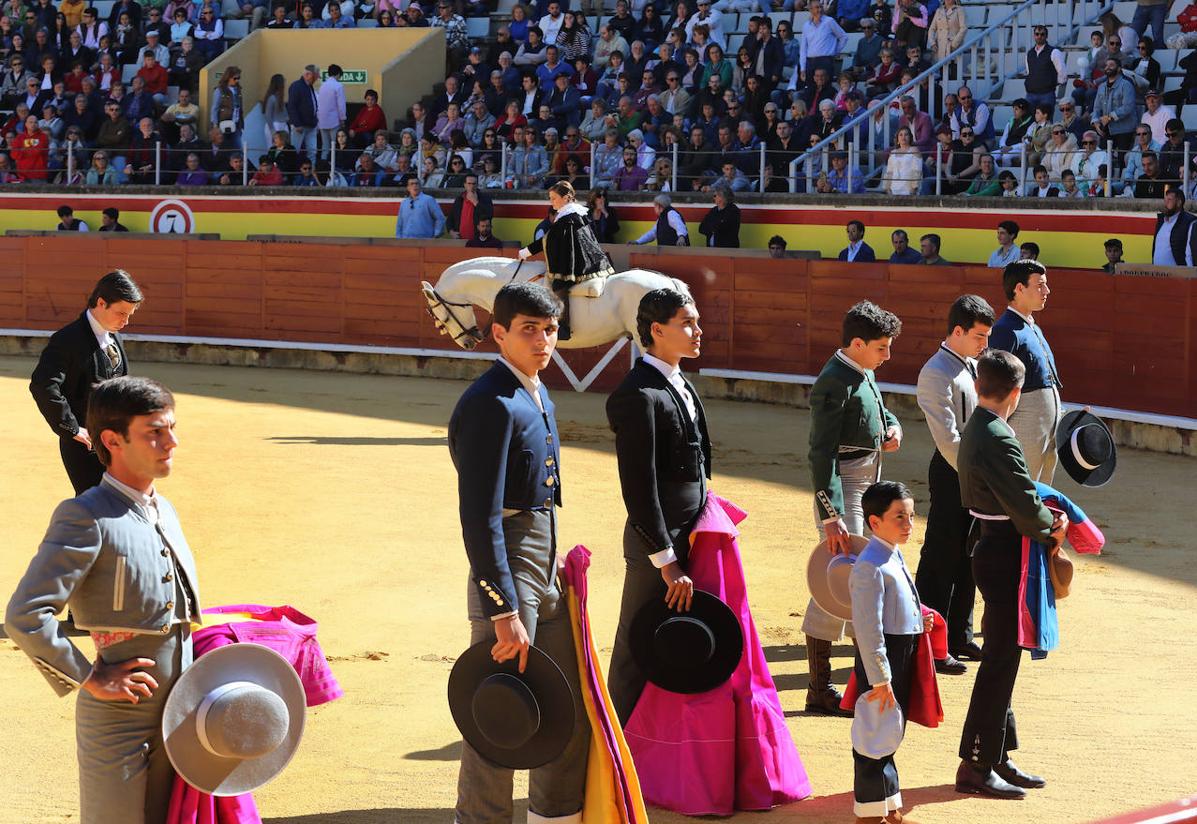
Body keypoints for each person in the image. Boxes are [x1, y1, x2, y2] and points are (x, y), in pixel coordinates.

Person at [5, 375, 201, 824]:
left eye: (170, 427)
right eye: (154, 431)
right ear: (112, 440)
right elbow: (25, 615)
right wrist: (90, 677)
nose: (171, 442)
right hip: (120, 723)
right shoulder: (85, 515)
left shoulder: (163, 509)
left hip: (180, 714)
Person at [447, 282, 590, 824]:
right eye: (529, 330)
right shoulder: (489, 402)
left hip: (539, 550)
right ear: (499, 333)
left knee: (560, 700)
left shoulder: (533, 391)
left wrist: (551, 551)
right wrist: (500, 606)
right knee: (501, 703)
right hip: (507, 561)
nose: (543, 340)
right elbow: (479, 516)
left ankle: (554, 815)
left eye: (550, 329)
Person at [954, 349, 1065, 800]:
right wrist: (1052, 527)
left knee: (1006, 652)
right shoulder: (998, 434)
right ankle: (976, 764)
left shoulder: (978, 427)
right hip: (1006, 552)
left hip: (990, 544)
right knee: (1001, 656)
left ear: (979, 385)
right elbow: (1023, 502)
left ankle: (997, 753)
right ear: (1017, 393)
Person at [605, 288, 709, 723]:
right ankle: (612, 752)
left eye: (696, 320)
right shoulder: (638, 394)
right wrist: (665, 559)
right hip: (659, 543)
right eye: (687, 322)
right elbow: (638, 485)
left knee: (678, 640)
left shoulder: (677, 381)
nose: (697, 330)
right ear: (657, 330)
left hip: (692, 533)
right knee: (637, 643)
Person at [804, 300, 903, 715]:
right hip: (845, 485)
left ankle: (850, 679)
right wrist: (831, 515)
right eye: (882, 347)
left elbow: (875, 413)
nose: (888, 355)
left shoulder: (859, 370)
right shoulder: (833, 382)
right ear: (858, 344)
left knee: (861, 577)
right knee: (841, 579)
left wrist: (890, 426)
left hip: (866, 479)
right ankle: (819, 687)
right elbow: (820, 452)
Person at [915, 294, 994, 678]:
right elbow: (947, 439)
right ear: (958, 331)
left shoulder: (971, 364)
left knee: (969, 554)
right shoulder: (936, 372)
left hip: (973, 470)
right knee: (941, 556)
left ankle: (960, 634)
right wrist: (975, 473)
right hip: (952, 472)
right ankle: (931, 644)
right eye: (979, 335)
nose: (984, 343)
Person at [849, 480, 934, 824]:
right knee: (874, 731)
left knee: (890, 728)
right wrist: (880, 676)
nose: (909, 524)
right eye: (899, 516)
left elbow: (900, 602)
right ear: (874, 522)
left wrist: (919, 620)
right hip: (883, 657)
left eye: (911, 516)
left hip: (902, 647)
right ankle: (869, 813)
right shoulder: (869, 565)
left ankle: (889, 805)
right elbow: (868, 629)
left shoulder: (890, 553)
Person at [30, 270, 141, 494]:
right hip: (86, 444)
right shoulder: (68, 339)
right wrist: (71, 428)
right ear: (101, 303)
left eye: (129, 315)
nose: (126, 321)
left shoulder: (114, 335)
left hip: (117, 440)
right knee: (95, 506)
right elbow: (43, 385)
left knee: (120, 502)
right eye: (121, 313)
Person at [988, 260, 1062, 483]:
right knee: (1022, 485)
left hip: (1047, 423)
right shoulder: (1005, 330)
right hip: (1024, 423)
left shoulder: (1031, 326)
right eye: (1040, 285)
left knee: (1041, 488)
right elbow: (996, 383)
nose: (1046, 291)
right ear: (1019, 289)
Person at [519, 180, 614, 341]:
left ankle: (563, 327)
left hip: (578, 264)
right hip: (590, 259)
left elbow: (547, 239)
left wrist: (526, 251)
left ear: (567, 198)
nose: (551, 202)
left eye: (554, 198)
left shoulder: (566, 217)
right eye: (550, 198)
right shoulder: (577, 214)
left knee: (559, 284)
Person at [1023, 25, 1064, 114]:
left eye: (1042, 34)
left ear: (1046, 36)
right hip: (1031, 94)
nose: (1039, 36)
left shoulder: (1054, 52)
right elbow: (1029, 72)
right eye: (1037, 34)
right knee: (1030, 122)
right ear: (1034, 35)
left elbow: (1062, 72)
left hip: (1047, 94)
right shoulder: (1029, 53)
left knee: (1047, 123)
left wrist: (1051, 84)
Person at [1151, 186, 1197, 265]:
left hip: (1178, 275)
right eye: (1165, 200)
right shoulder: (1161, 220)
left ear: (1179, 202)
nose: (1165, 203)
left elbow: (1191, 251)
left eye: (1169, 200)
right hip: (1157, 273)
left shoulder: (1189, 222)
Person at [447, 172, 493, 241]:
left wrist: (475, 202)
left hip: (478, 241)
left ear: (477, 185)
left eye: (474, 184)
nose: (471, 186)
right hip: (460, 240)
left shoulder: (485, 199)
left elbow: (488, 216)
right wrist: (451, 232)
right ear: (465, 185)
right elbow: (450, 218)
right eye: (469, 183)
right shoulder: (459, 199)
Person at [287, 65, 319, 161]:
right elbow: (292, 106)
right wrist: (297, 124)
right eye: (316, 76)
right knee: (294, 151)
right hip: (300, 125)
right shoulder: (297, 86)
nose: (316, 79)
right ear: (309, 75)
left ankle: (311, 172)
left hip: (310, 124)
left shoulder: (308, 87)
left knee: (312, 151)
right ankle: (293, 174)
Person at [316, 64, 346, 161]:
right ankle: (334, 167)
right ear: (338, 74)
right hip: (334, 120)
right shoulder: (338, 86)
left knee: (325, 146)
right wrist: (343, 118)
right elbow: (341, 104)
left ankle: (323, 166)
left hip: (322, 120)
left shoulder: (322, 86)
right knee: (335, 145)